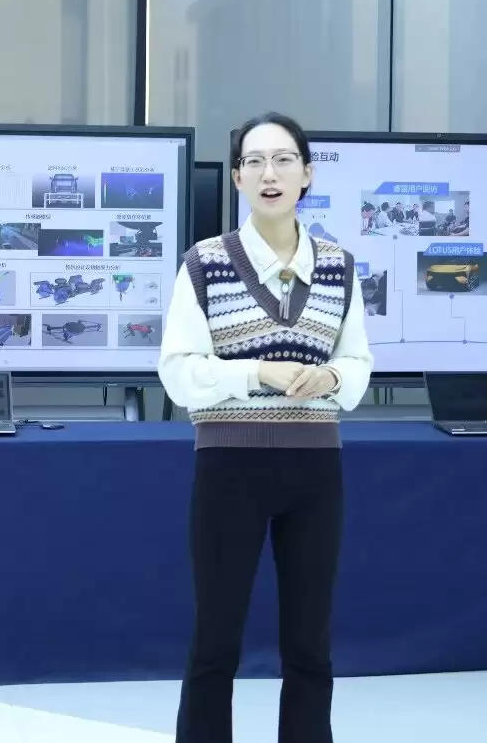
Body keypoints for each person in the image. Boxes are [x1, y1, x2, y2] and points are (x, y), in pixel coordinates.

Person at [158, 112, 374, 743]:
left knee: (310, 642)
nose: (268, 173)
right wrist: (256, 373)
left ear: (307, 175)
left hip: (315, 472)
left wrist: (329, 378)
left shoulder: (339, 265)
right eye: (254, 162)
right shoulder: (204, 263)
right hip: (230, 468)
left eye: (283, 160)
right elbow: (177, 372)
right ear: (236, 178)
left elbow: (357, 363)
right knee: (215, 641)